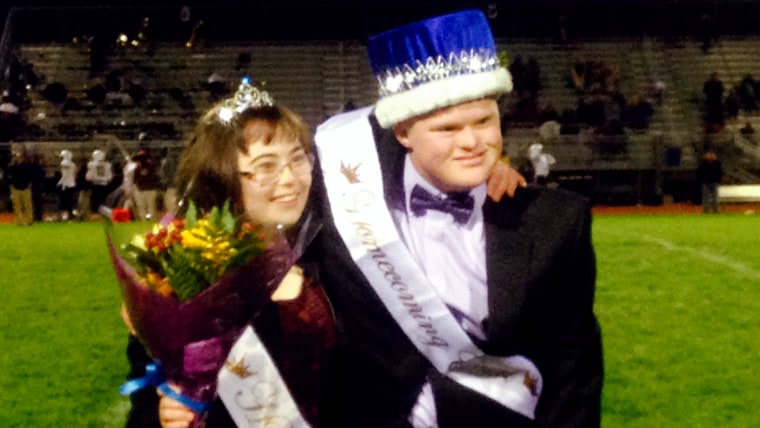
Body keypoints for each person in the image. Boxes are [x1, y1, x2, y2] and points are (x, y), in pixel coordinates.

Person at [310, 9, 602, 427]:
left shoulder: (556, 223)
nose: (471, 142)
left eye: (484, 121)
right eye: (447, 129)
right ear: (403, 134)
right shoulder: (344, 195)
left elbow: (573, 370)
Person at [127, 78, 337, 428]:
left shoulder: (329, 253)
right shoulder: (184, 276)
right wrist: (168, 417)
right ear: (222, 177)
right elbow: (144, 409)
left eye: (298, 159)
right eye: (266, 166)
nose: (290, 179)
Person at [4, 143, 35, 225]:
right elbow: (7, 176)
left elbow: (30, 175)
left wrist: (30, 183)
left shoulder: (26, 166)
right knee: (17, 206)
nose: (14, 158)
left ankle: (29, 220)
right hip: (15, 188)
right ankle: (19, 220)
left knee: (27, 205)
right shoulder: (11, 167)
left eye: (15, 156)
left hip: (25, 187)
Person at [132, 147, 160, 220]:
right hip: (140, 188)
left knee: (150, 205)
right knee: (141, 205)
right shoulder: (137, 167)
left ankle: (151, 219)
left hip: (150, 188)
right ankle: (143, 219)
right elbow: (135, 178)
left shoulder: (152, 165)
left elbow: (154, 175)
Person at [57, 149, 77, 221]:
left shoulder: (63, 163)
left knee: (62, 201)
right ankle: (70, 215)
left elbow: (65, 175)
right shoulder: (73, 164)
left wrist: (60, 182)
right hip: (71, 184)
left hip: (65, 184)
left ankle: (61, 216)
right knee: (70, 202)